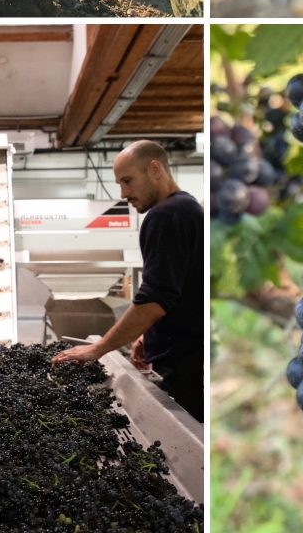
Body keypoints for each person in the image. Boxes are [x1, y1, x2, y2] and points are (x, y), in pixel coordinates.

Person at [52, 140, 204, 421]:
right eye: (119, 184)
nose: (123, 193)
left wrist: (97, 349)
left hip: (185, 369)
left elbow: (154, 300)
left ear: (155, 169)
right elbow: (179, 291)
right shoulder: (188, 208)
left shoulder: (165, 216)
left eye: (128, 181)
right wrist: (149, 333)